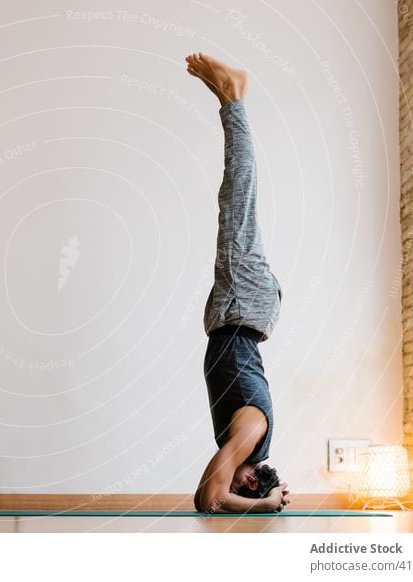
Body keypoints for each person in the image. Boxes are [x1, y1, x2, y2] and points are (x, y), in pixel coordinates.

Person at [185, 52, 290, 513]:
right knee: (238, 195)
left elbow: (207, 496)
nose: (230, 479)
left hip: (241, 310)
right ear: (251, 479)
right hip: (242, 305)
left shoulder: (244, 435)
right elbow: (209, 499)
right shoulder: (252, 432)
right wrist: (264, 506)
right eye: (241, 484)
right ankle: (235, 95)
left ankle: (229, 98)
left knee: (236, 198)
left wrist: (255, 501)